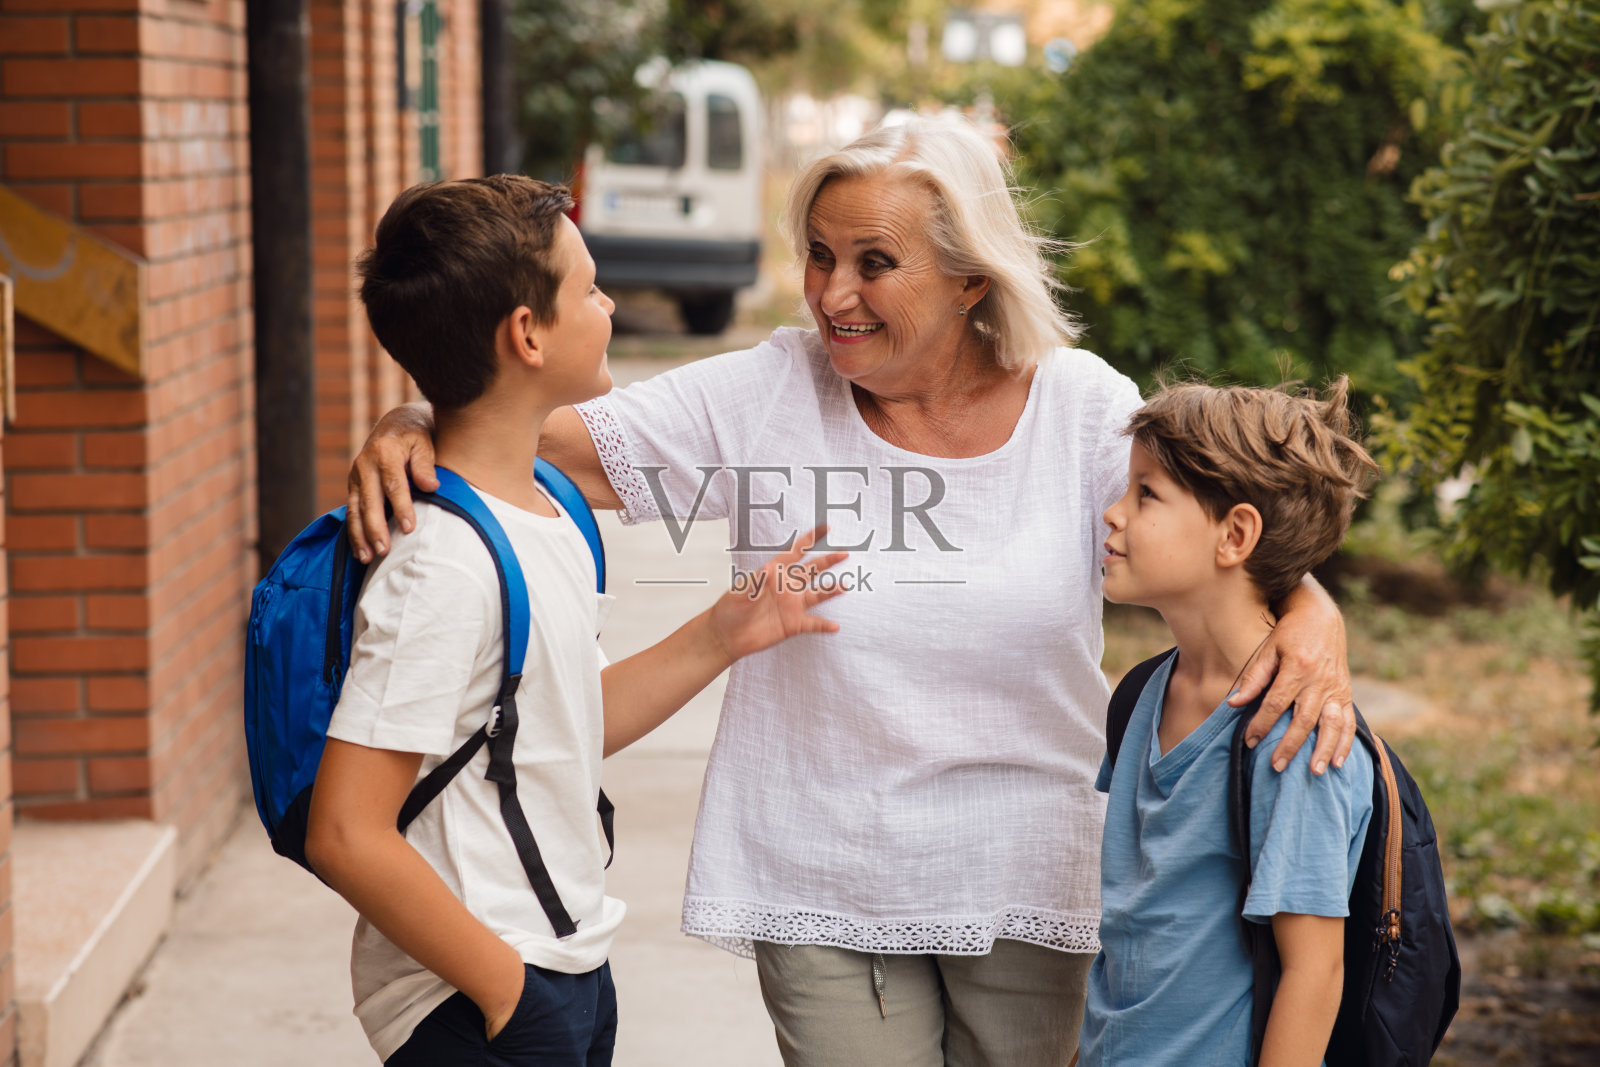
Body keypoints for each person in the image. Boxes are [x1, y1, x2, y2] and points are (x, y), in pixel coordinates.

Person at [345, 118, 1359, 1067]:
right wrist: (403, 421)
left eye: (875, 262)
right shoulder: (769, 394)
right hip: (822, 877)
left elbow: (1218, 534)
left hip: (1031, 869)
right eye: (820, 254)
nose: (832, 292)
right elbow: (504, 423)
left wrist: (1315, 614)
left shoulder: (1079, 407)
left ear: (969, 276)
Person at [304, 175, 849, 1066]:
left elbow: (560, 727)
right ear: (527, 334)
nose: (607, 305)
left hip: (560, 961)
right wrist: (501, 985)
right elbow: (345, 829)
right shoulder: (441, 562)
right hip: (471, 990)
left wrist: (724, 631)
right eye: (589, 288)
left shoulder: (544, 508)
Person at [1081, 379, 1379, 1067]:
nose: (1112, 513)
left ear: (1236, 533)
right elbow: (1134, 929)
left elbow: (1314, 972)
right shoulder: (1141, 695)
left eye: (1145, 494)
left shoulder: (1293, 735)